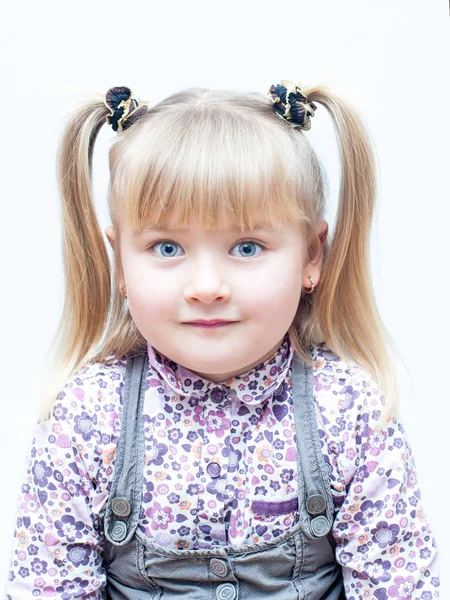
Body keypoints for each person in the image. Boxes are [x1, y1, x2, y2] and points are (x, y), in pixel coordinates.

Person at [4, 81, 440, 600]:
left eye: (247, 246)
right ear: (119, 262)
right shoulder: (87, 416)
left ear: (311, 256)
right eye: (167, 247)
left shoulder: (349, 412)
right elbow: (48, 588)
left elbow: (401, 587)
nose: (207, 287)